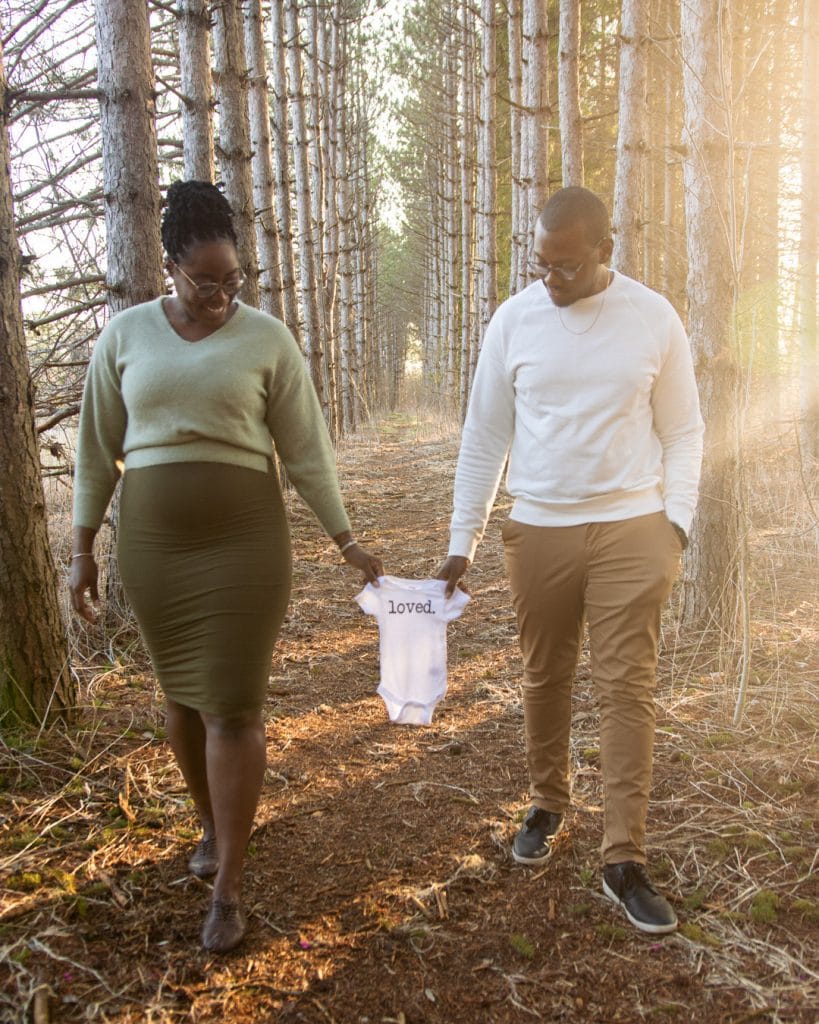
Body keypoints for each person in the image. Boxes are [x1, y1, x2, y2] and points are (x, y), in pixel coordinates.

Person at [69, 180, 383, 954]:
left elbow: (306, 451)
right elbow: (94, 450)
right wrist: (80, 546)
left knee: (233, 708)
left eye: (232, 282)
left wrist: (346, 541)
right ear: (170, 265)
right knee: (181, 700)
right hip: (154, 547)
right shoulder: (125, 336)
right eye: (204, 281)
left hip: (246, 541)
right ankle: (211, 825)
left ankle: (228, 887)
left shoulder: (267, 340)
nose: (219, 296)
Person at [437, 186, 703, 935]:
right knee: (544, 675)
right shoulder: (513, 320)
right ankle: (548, 801)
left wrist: (673, 528)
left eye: (567, 267)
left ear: (603, 253)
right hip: (539, 528)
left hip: (630, 526)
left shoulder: (652, 317)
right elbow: (484, 435)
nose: (550, 280)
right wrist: (463, 541)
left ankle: (623, 856)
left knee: (626, 689)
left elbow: (684, 430)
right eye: (541, 265)